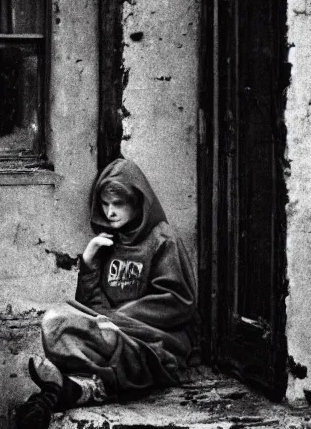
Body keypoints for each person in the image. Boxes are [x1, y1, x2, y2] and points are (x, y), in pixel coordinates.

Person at [15, 158, 198, 428]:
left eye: (118, 204)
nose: (110, 212)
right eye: (105, 204)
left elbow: (178, 301)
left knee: (107, 339)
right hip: (111, 335)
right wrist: (89, 264)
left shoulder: (163, 240)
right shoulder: (107, 243)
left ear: (138, 202)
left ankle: (74, 387)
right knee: (55, 322)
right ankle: (86, 387)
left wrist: (116, 320)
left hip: (153, 342)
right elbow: (92, 306)